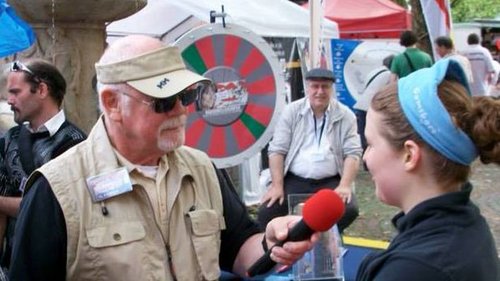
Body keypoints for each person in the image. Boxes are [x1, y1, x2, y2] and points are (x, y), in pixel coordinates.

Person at [9, 35, 318, 281]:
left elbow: (239, 248)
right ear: (112, 103)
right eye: (164, 100)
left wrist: (271, 242)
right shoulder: (57, 190)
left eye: (185, 96)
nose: (182, 110)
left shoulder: (202, 169)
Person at [356, 58, 500, 280]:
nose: (365, 157)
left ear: (409, 155)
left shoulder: (415, 268)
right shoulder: (466, 224)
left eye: (371, 144)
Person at [0, 59, 86, 274]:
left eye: (15, 92)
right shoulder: (10, 138)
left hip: (57, 265)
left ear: (41, 90)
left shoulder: (74, 143)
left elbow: (53, 209)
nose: (9, 100)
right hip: (11, 266)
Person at [257, 68, 362, 233]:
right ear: (307, 88)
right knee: (267, 212)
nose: (320, 91)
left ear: (332, 88)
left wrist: (344, 185)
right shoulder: (291, 111)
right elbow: (277, 150)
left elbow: (353, 153)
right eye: (315, 86)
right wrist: (277, 186)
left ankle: (314, 237)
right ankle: (279, 249)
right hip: (294, 179)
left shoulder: (345, 115)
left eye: (325, 87)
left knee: (349, 210)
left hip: (330, 181)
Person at [353, 55, 394, 154]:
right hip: (371, 107)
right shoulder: (389, 74)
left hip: (361, 105)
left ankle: (364, 158)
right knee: (372, 136)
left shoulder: (374, 71)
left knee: (363, 135)